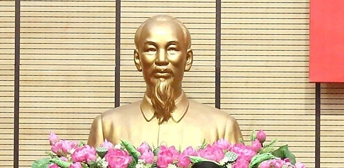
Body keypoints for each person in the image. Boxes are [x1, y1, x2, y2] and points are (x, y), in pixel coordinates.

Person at [88, 14, 242, 148]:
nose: (161, 60)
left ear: (188, 59)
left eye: (172, 49)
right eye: (151, 49)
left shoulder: (222, 128)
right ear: (137, 59)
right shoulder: (107, 127)